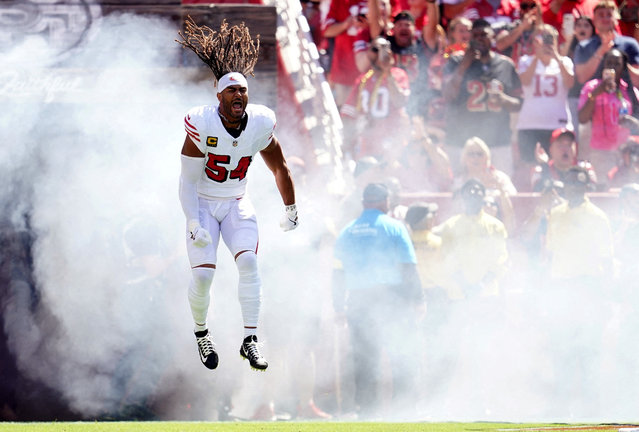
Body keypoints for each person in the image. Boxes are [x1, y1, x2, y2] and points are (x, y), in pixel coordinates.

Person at [176, 18, 298, 371]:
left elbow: (280, 166)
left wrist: (290, 207)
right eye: (232, 91)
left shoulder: (260, 123)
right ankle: (202, 333)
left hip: (236, 201)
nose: (239, 95)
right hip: (201, 202)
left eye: (243, 90)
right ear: (219, 95)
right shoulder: (202, 123)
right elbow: (185, 181)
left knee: (249, 262)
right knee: (203, 275)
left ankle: (251, 339)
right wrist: (191, 220)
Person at [332, 183, 424, 419]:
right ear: (385, 202)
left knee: (363, 357)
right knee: (400, 354)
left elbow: (338, 273)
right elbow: (408, 267)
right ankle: (404, 410)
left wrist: (338, 307)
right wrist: (418, 300)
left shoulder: (346, 231)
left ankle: (366, 412)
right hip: (391, 298)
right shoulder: (395, 227)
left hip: (358, 300)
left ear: (364, 202)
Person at [442, 18, 523, 174]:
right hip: (461, 140)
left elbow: (519, 103)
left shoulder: (506, 64)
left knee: (501, 186)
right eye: (475, 35)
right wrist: (465, 64)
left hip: (497, 140)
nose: (479, 39)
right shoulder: (455, 61)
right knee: (461, 188)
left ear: (492, 38)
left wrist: (503, 100)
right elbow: (447, 95)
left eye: (484, 35)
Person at [515, 24, 574, 182]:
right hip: (530, 124)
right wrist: (537, 57)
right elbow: (525, 81)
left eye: (550, 39)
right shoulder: (526, 61)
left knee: (559, 166)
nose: (547, 43)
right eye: (543, 39)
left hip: (557, 124)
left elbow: (569, 83)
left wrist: (556, 56)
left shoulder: (565, 62)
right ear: (535, 42)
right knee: (529, 166)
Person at [434, 179, 510, 300]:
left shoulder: (495, 225)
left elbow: (500, 258)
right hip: (459, 293)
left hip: (487, 293)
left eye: (478, 190)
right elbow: (446, 258)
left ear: (484, 196)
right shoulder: (451, 225)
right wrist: (465, 285)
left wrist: (482, 284)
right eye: (470, 190)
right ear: (463, 196)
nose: (474, 192)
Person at [341, 36, 411, 162]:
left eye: (383, 50)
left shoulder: (398, 75)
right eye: (375, 49)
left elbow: (400, 101)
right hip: (365, 146)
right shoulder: (362, 79)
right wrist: (347, 143)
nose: (379, 54)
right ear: (368, 53)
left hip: (391, 144)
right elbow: (349, 114)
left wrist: (387, 71)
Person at [578, 48, 639, 182]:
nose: (612, 67)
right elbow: (582, 118)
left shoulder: (629, 90)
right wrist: (595, 95)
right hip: (600, 152)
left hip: (625, 153)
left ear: (623, 68)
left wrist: (634, 123)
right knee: (603, 190)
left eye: (616, 63)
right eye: (608, 63)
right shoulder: (591, 87)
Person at [453, 137, 517, 231]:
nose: (476, 158)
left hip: (498, 226)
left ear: (487, 157)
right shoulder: (459, 181)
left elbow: (515, 198)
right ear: (464, 158)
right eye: (471, 154)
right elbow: (454, 206)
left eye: (480, 154)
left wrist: (499, 188)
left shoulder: (500, 178)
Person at [573, 0, 639, 88]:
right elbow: (581, 78)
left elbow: (637, 80)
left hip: (624, 98)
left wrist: (620, 62)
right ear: (594, 20)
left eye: (609, 15)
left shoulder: (630, 44)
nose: (605, 18)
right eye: (601, 15)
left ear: (616, 19)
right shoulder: (584, 46)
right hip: (593, 98)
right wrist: (601, 51)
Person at [530, 127, 598, 191]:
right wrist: (545, 166)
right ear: (551, 150)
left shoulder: (586, 168)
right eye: (560, 145)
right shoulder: (540, 170)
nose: (565, 149)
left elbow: (592, 192)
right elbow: (539, 192)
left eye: (569, 145)